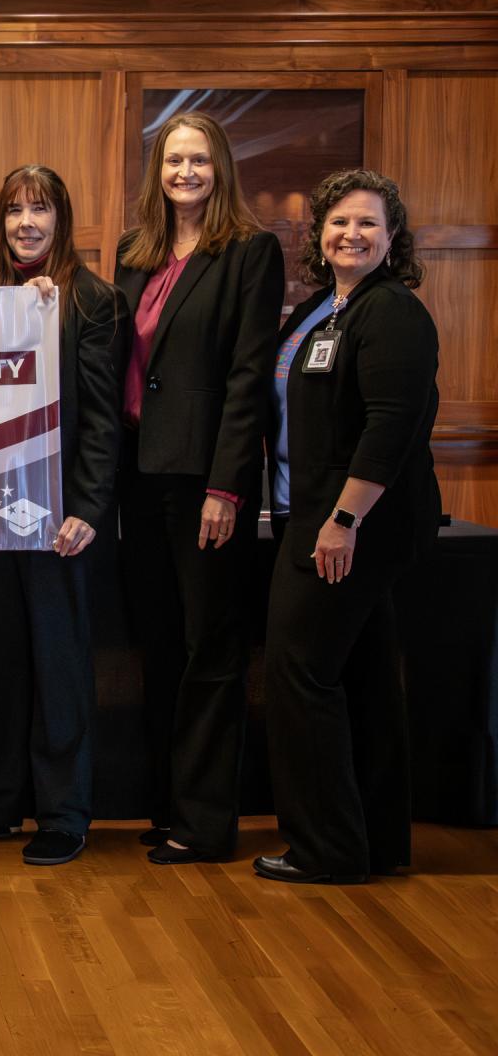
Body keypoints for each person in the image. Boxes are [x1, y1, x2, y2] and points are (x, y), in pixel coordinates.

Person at [0, 165, 127, 866]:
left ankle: (63, 813)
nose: (26, 222)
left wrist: (88, 509)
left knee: (59, 667)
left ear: (60, 219)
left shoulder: (93, 300)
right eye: (15, 210)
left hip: (60, 523)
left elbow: (103, 419)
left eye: (40, 209)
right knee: (1, 665)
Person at [255, 169, 439, 884]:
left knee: (299, 672)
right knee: (361, 676)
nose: (351, 234)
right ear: (319, 234)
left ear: (393, 238)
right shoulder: (321, 309)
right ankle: (375, 840)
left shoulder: (391, 312)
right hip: (311, 513)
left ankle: (324, 848)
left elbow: (391, 426)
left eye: (367, 224)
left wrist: (342, 519)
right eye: (338, 222)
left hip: (349, 525)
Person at [114, 111, 284, 865]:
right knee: (158, 645)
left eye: (199, 160)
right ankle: (168, 806)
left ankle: (207, 823)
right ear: (157, 171)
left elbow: (249, 378)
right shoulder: (135, 252)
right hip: (137, 476)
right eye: (173, 160)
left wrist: (228, 488)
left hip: (204, 483)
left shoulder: (249, 251)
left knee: (210, 647)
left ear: (221, 169)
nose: (185, 172)